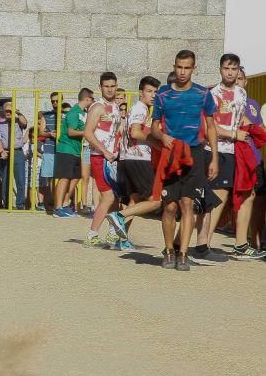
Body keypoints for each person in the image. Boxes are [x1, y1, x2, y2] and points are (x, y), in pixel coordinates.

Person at [150, 50, 219, 271]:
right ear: (174, 67)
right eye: (179, 67)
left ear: (193, 69)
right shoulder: (162, 95)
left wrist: (214, 158)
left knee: (187, 203)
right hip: (171, 154)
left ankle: (183, 253)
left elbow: (211, 127)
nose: (182, 72)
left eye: (187, 67)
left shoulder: (203, 94)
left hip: (195, 153)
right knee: (169, 206)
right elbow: (153, 126)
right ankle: (169, 250)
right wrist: (162, 136)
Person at [196, 54, 266, 260]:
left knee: (246, 193)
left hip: (236, 151)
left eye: (234, 69)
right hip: (217, 150)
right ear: (220, 69)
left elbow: (240, 119)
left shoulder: (241, 94)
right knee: (218, 196)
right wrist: (232, 134)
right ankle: (203, 244)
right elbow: (209, 126)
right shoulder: (213, 94)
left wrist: (252, 130)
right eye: (227, 68)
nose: (230, 72)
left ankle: (240, 244)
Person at [106, 77, 164, 250]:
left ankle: (122, 239)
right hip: (138, 159)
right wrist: (157, 143)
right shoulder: (140, 108)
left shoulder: (139, 108)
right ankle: (119, 216)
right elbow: (135, 132)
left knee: (135, 200)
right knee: (156, 200)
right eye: (149, 91)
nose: (153, 95)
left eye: (156, 92)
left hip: (128, 158)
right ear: (141, 92)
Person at [83, 72, 123, 248]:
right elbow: (88, 133)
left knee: (115, 197)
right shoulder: (98, 107)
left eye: (113, 86)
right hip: (100, 156)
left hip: (113, 157)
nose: (110, 89)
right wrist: (105, 151)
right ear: (100, 87)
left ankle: (113, 233)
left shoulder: (115, 106)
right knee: (107, 196)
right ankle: (92, 234)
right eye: (106, 86)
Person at [53, 88, 94, 218]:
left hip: (76, 150)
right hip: (66, 148)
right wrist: (86, 132)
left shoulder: (82, 113)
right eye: (92, 99)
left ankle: (65, 204)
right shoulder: (74, 113)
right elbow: (71, 132)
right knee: (64, 178)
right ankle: (58, 207)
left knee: (76, 177)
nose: (93, 101)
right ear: (87, 98)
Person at [237, 67, 266, 249]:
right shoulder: (226, 101)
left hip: (254, 158)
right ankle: (203, 244)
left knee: (259, 198)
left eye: (241, 79)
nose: (238, 81)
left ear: (246, 82)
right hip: (236, 155)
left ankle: (255, 240)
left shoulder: (254, 104)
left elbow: (261, 129)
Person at [0, 100, 29, 209]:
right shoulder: (0, 123)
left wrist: (18, 113)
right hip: (5, 152)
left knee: (20, 179)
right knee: (5, 180)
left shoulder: (18, 121)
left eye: (10, 110)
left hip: (17, 151)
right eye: (6, 110)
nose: (8, 112)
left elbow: (25, 123)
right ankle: (6, 204)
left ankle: (20, 205)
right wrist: (1, 150)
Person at [36, 92, 64, 212]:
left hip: (63, 149)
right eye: (53, 101)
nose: (54, 103)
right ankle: (53, 202)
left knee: (63, 177)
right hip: (49, 149)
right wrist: (49, 134)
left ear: (62, 101)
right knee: (50, 178)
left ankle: (61, 203)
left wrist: (61, 134)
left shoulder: (67, 115)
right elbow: (41, 132)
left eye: (57, 101)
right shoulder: (46, 115)